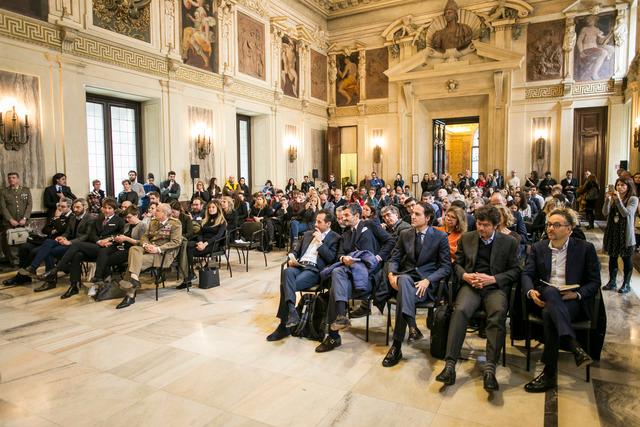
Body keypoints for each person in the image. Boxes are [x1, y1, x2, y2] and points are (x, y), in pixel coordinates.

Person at [435, 205, 520, 391]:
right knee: (460, 310)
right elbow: (457, 264)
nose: (481, 228)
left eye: (486, 225)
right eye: (479, 224)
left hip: (494, 287)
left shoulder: (509, 242)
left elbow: (515, 271)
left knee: (497, 312)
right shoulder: (467, 238)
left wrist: (493, 279)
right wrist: (465, 276)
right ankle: (450, 365)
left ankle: (490, 368)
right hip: (471, 285)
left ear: (496, 225)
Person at [522, 208, 600, 392]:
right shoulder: (538, 247)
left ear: (569, 229)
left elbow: (594, 281)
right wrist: (530, 291)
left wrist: (577, 294)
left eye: (556, 225)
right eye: (549, 224)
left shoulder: (585, 248)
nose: (550, 228)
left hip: (571, 301)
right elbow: (527, 274)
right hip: (544, 296)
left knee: (549, 314)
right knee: (550, 291)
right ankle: (574, 346)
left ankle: (550, 375)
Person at [315, 203, 395, 353]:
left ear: (357, 216)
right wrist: (344, 258)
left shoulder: (370, 225)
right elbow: (339, 255)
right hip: (350, 277)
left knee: (335, 288)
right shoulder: (345, 234)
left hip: (370, 277)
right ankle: (340, 318)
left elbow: (390, 241)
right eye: (343, 215)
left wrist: (378, 257)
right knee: (337, 275)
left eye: (347, 215)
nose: (343, 218)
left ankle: (333, 336)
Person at [382, 202, 452, 367]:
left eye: (417, 214)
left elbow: (446, 267)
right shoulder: (405, 234)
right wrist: (391, 275)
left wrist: (428, 280)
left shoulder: (440, 236)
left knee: (403, 295)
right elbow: (394, 259)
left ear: (427, 218)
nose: (412, 216)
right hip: (406, 279)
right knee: (404, 280)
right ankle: (412, 326)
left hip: (425, 285)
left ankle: (396, 346)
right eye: (412, 213)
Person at [267, 210, 340, 341]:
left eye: (319, 222)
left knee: (285, 286)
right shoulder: (307, 234)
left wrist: (320, 242)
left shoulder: (335, 238)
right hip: (299, 266)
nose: (315, 224)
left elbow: (331, 259)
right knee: (287, 271)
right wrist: (292, 257)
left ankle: (284, 325)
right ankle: (292, 312)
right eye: (316, 221)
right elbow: (294, 250)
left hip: (314, 270)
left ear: (328, 224)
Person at [42, 198, 125, 299]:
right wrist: (99, 241)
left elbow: (121, 235)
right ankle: (74, 286)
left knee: (76, 245)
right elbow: (92, 234)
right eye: (105, 208)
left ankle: (56, 269)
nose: (107, 210)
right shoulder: (99, 218)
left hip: (109, 248)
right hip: (96, 245)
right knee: (77, 255)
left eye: (110, 208)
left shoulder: (119, 220)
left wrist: (110, 240)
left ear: (114, 209)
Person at [19, 199, 94, 292]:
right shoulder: (74, 217)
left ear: (84, 207)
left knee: (49, 251)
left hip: (79, 245)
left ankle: (50, 281)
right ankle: (33, 267)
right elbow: (67, 232)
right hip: (68, 242)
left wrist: (70, 242)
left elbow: (86, 236)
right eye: (74, 207)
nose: (75, 209)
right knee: (48, 242)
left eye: (78, 207)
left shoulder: (90, 218)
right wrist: (62, 237)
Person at [117, 203, 182, 309]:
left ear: (165, 213)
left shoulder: (175, 223)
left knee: (134, 262)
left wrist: (158, 249)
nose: (154, 212)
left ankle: (130, 295)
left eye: (158, 210)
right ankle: (134, 279)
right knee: (134, 249)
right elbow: (145, 236)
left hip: (162, 254)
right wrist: (146, 245)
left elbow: (176, 242)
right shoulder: (153, 222)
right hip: (149, 248)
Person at [4, 200, 72, 286]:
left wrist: (57, 219)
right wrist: (54, 229)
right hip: (47, 240)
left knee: (34, 251)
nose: (60, 208)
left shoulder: (71, 217)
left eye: (63, 206)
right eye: (59, 206)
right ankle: (24, 276)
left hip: (58, 242)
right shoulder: (56, 215)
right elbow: (45, 229)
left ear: (69, 207)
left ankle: (24, 275)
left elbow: (63, 230)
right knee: (25, 247)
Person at [89, 205, 148, 297]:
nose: (127, 220)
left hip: (133, 250)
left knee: (105, 260)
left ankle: (104, 282)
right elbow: (122, 237)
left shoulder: (142, 226)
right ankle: (99, 279)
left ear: (136, 215)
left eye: (129, 217)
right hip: (122, 246)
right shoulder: (127, 225)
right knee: (103, 251)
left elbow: (142, 243)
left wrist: (126, 239)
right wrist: (117, 239)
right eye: (126, 218)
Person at [179, 200, 227, 288]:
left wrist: (205, 244)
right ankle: (190, 273)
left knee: (190, 250)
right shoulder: (205, 220)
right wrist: (200, 242)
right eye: (209, 207)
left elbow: (218, 236)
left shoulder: (222, 221)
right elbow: (200, 234)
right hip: (202, 242)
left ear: (218, 208)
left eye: (213, 207)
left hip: (213, 244)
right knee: (186, 245)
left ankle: (189, 275)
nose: (210, 209)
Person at [602, 176, 638, 294]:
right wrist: (607, 200)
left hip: (625, 234)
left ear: (628, 186)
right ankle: (612, 282)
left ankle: (626, 284)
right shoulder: (613, 197)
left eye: (623, 185)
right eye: (618, 185)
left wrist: (617, 200)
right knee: (612, 258)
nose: (619, 187)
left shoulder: (633, 199)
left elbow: (625, 213)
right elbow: (605, 213)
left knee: (626, 259)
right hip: (613, 232)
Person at [0, 172, 33, 266]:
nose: (11, 179)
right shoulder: (3, 191)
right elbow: (3, 207)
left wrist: (25, 218)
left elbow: (29, 205)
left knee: (24, 240)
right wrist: (10, 219)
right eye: (9, 178)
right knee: (11, 242)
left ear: (18, 179)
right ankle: (14, 261)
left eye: (13, 177)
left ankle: (24, 260)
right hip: (10, 222)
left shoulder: (25, 190)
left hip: (23, 221)